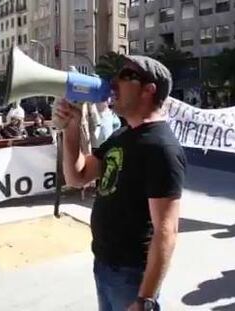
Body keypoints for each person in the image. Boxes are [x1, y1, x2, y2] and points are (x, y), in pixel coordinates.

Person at [55, 55, 186, 310]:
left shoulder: (162, 148)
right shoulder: (122, 135)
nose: (114, 82)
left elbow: (166, 232)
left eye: (126, 76)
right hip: (104, 266)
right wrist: (71, 126)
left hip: (132, 277)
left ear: (149, 90)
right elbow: (77, 177)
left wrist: (144, 299)